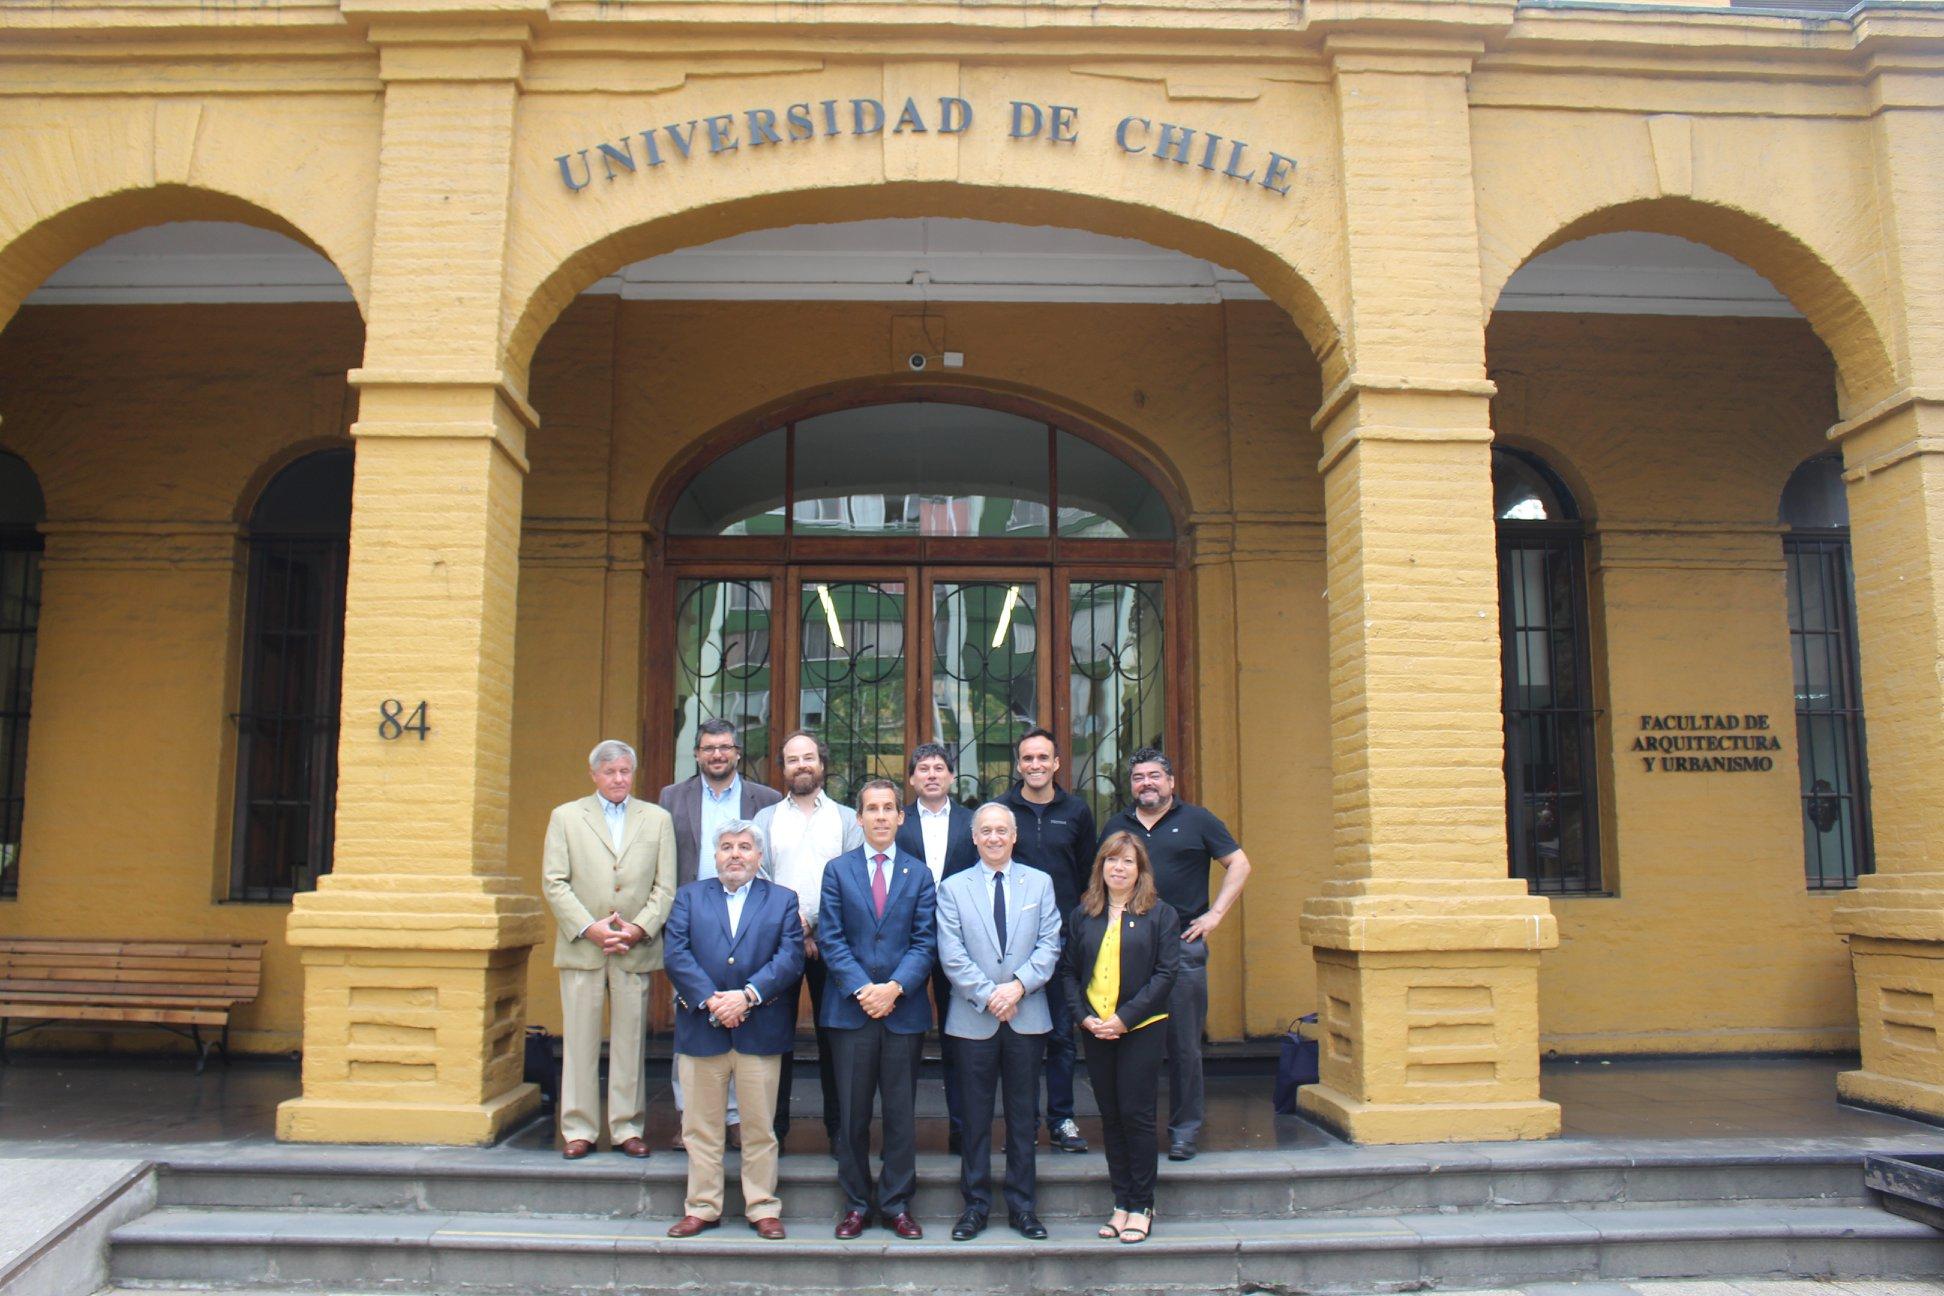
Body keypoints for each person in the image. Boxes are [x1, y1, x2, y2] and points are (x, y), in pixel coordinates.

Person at [1100, 748, 1252, 1162]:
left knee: (1184, 1044)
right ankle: (1136, 1127)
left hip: (1183, 945)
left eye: (1154, 776)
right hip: (1129, 948)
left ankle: (1184, 1130)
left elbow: (1239, 864)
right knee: (1132, 1043)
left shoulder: (1198, 820)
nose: (1145, 784)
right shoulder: (1118, 825)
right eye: (1137, 777)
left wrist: (1215, 914)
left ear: (1170, 782)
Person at [661, 820, 804, 1240]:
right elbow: (677, 953)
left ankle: (762, 1206)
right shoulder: (689, 897)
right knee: (701, 1127)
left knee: (759, 1126)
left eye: (744, 847)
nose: (735, 854)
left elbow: (789, 957)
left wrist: (747, 996)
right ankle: (702, 1207)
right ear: (715, 855)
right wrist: (713, 1000)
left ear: (759, 857)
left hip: (759, 1028)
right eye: (726, 847)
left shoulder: (781, 900)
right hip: (701, 1028)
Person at [540, 739, 677, 1160]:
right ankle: (579, 1128)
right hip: (584, 946)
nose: (618, 779)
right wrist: (589, 927)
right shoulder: (566, 816)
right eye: (610, 772)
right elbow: (554, 881)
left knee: (630, 1041)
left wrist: (638, 928)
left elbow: (665, 886)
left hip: (633, 948)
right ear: (594, 775)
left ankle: (627, 1127)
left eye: (625, 771)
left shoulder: (656, 818)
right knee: (580, 1040)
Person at [936, 802, 1063, 1241]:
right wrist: (991, 994)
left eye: (1001, 830)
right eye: (985, 830)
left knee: (1023, 1116)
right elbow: (951, 954)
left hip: (1026, 1014)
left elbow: (1050, 943)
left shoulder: (1040, 883)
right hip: (974, 1017)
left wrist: (1018, 987)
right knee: (974, 1118)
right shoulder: (953, 888)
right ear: (974, 837)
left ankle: (1023, 1207)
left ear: (1014, 837)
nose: (993, 837)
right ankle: (974, 1207)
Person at [816, 778, 937, 1240]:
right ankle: (856, 1205)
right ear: (860, 818)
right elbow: (831, 938)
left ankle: (897, 1204)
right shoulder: (838, 871)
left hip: (902, 1013)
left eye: (889, 808)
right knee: (852, 1115)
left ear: (901, 817)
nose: (882, 816)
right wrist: (866, 989)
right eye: (873, 809)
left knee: (901, 1113)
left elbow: (925, 941)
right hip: (850, 1011)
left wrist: (894, 989)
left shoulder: (919, 874)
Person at [658, 718, 783, 1149]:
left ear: (736, 752)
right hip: (694, 920)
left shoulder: (764, 799)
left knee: (742, 1022)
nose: (717, 755)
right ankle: (689, 1116)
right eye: (708, 748)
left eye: (725, 747)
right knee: (693, 1020)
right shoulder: (672, 798)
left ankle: (736, 1119)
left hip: (750, 920)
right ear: (697, 754)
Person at [1059, 831, 1180, 1245]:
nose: (1119, 868)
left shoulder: (1161, 914)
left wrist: (1125, 1018)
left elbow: (1166, 975)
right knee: (1110, 1118)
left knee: (1137, 1116)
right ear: (1101, 867)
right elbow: (1070, 973)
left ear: (1140, 869)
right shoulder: (1084, 914)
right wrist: (1085, 1019)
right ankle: (1121, 1203)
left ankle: (1142, 1204)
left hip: (1140, 1028)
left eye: (1128, 861)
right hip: (1096, 1030)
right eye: (1112, 860)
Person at [752, 729, 863, 1147]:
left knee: (834, 1039)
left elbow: (851, 879)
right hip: (779, 945)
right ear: (782, 768)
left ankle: (839, 1132)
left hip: (833, 944)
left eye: (809, 757)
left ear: (822, 764)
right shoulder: (764, 820)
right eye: (793, 759)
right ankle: (773, 1132)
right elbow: (759, 877)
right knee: (774, 1039)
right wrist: (794, 925)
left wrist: (816, 926)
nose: (802, 765)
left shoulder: (847, 819)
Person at [998, 727, 1097, 1154]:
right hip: (1010, 940)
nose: (1035, 765)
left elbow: (1088, 875)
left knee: (1059, 1034)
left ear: (1057, 764)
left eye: (1043, 758)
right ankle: (1018, 1123)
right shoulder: (1002, 809)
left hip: (1060, 940)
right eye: (1028, 759)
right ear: (1018, 765)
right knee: (1014, 1036)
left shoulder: (1075, 811)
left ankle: (1061, 1119)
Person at [893, 741, 976, 1153]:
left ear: (951, 777)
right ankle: (899, 1132)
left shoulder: (973, 821)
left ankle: (961, 1129)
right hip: (906, 941)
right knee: (903, 1035)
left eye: (939, 767)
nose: (931, 774)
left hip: (961, 943)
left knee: (957, 1037)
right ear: (911, 778)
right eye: (923, 768)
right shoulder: (895, 820)